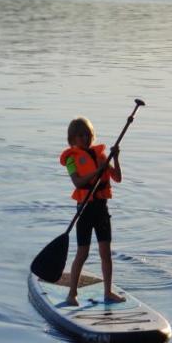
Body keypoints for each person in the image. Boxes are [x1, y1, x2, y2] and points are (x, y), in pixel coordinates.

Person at [59, 116, 123, 305]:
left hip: (101, 210)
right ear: (72, 139)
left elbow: (117, 178)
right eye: (80, 136)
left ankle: (108, 292)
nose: (85, 139)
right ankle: (72, 294)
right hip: (85, 211)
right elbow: (78, 182)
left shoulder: (101, 156)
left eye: (87, 135)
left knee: (106, 253)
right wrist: (97, 171)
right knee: (82, 254)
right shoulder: (72, 160)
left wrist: (116, 159)